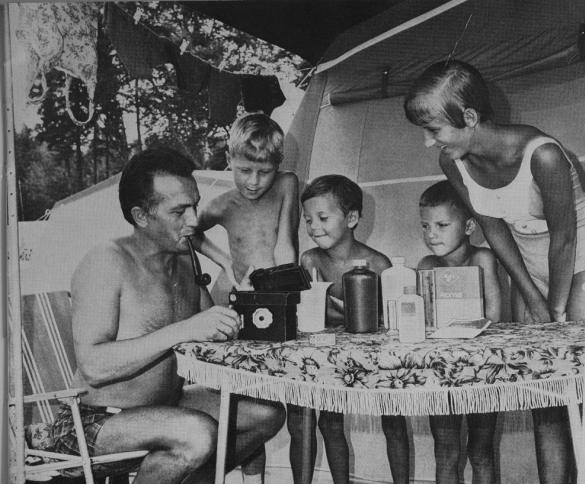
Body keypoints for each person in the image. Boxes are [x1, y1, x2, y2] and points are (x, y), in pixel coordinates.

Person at [404, 60, 585, 484]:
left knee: (578, 384)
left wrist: (555, 308)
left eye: (434, 130)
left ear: (468, 117)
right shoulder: (455, 161)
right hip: (530, 258)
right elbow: (493, 231)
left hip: (583, 253)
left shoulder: (542, 154)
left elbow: (565, 239)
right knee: (544, 387)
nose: (429, 142)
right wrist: (535, 299)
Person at [51, 148, 286, 484]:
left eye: (194, 205)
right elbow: (93, 365)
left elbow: (213, 332)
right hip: (91, 423)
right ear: (141, 216)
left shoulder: (184, 261)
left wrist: (241, 304)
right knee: (197, 433)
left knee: (266, 413)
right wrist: (183, 329)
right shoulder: (107, 261)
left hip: (167, 407)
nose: (193, 220)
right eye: (179, 211)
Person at [287, 174, 409, 484]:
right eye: (308, 219)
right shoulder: (310, 260)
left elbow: (391, 320)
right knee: (329, 422)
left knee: (394, 421)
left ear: (351, 218)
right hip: (330, 360)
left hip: (376, 358)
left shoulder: (378, 264)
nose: (314, 226)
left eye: (323, 217)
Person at [417, 180, 501, 483]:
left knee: (481, 452)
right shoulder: (426, 265)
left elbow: (494, 316)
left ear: (468, 226)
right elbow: (422, 321)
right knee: (445, 451)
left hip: (481, 373)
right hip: (441, 373)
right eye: (425, 226)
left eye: (441, 224)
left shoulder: (483, 259)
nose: (431, 234)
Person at [195, 112, 299, 293]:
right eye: (244, 170)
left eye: (265, 172)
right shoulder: (223, 205)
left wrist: (285, 289)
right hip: (246, 293)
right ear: (229, 160)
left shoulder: (286, 184)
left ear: (278, 164)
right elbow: (188, 231)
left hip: (283, 289)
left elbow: (285, 244)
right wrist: (223, 260)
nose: (253, 182)